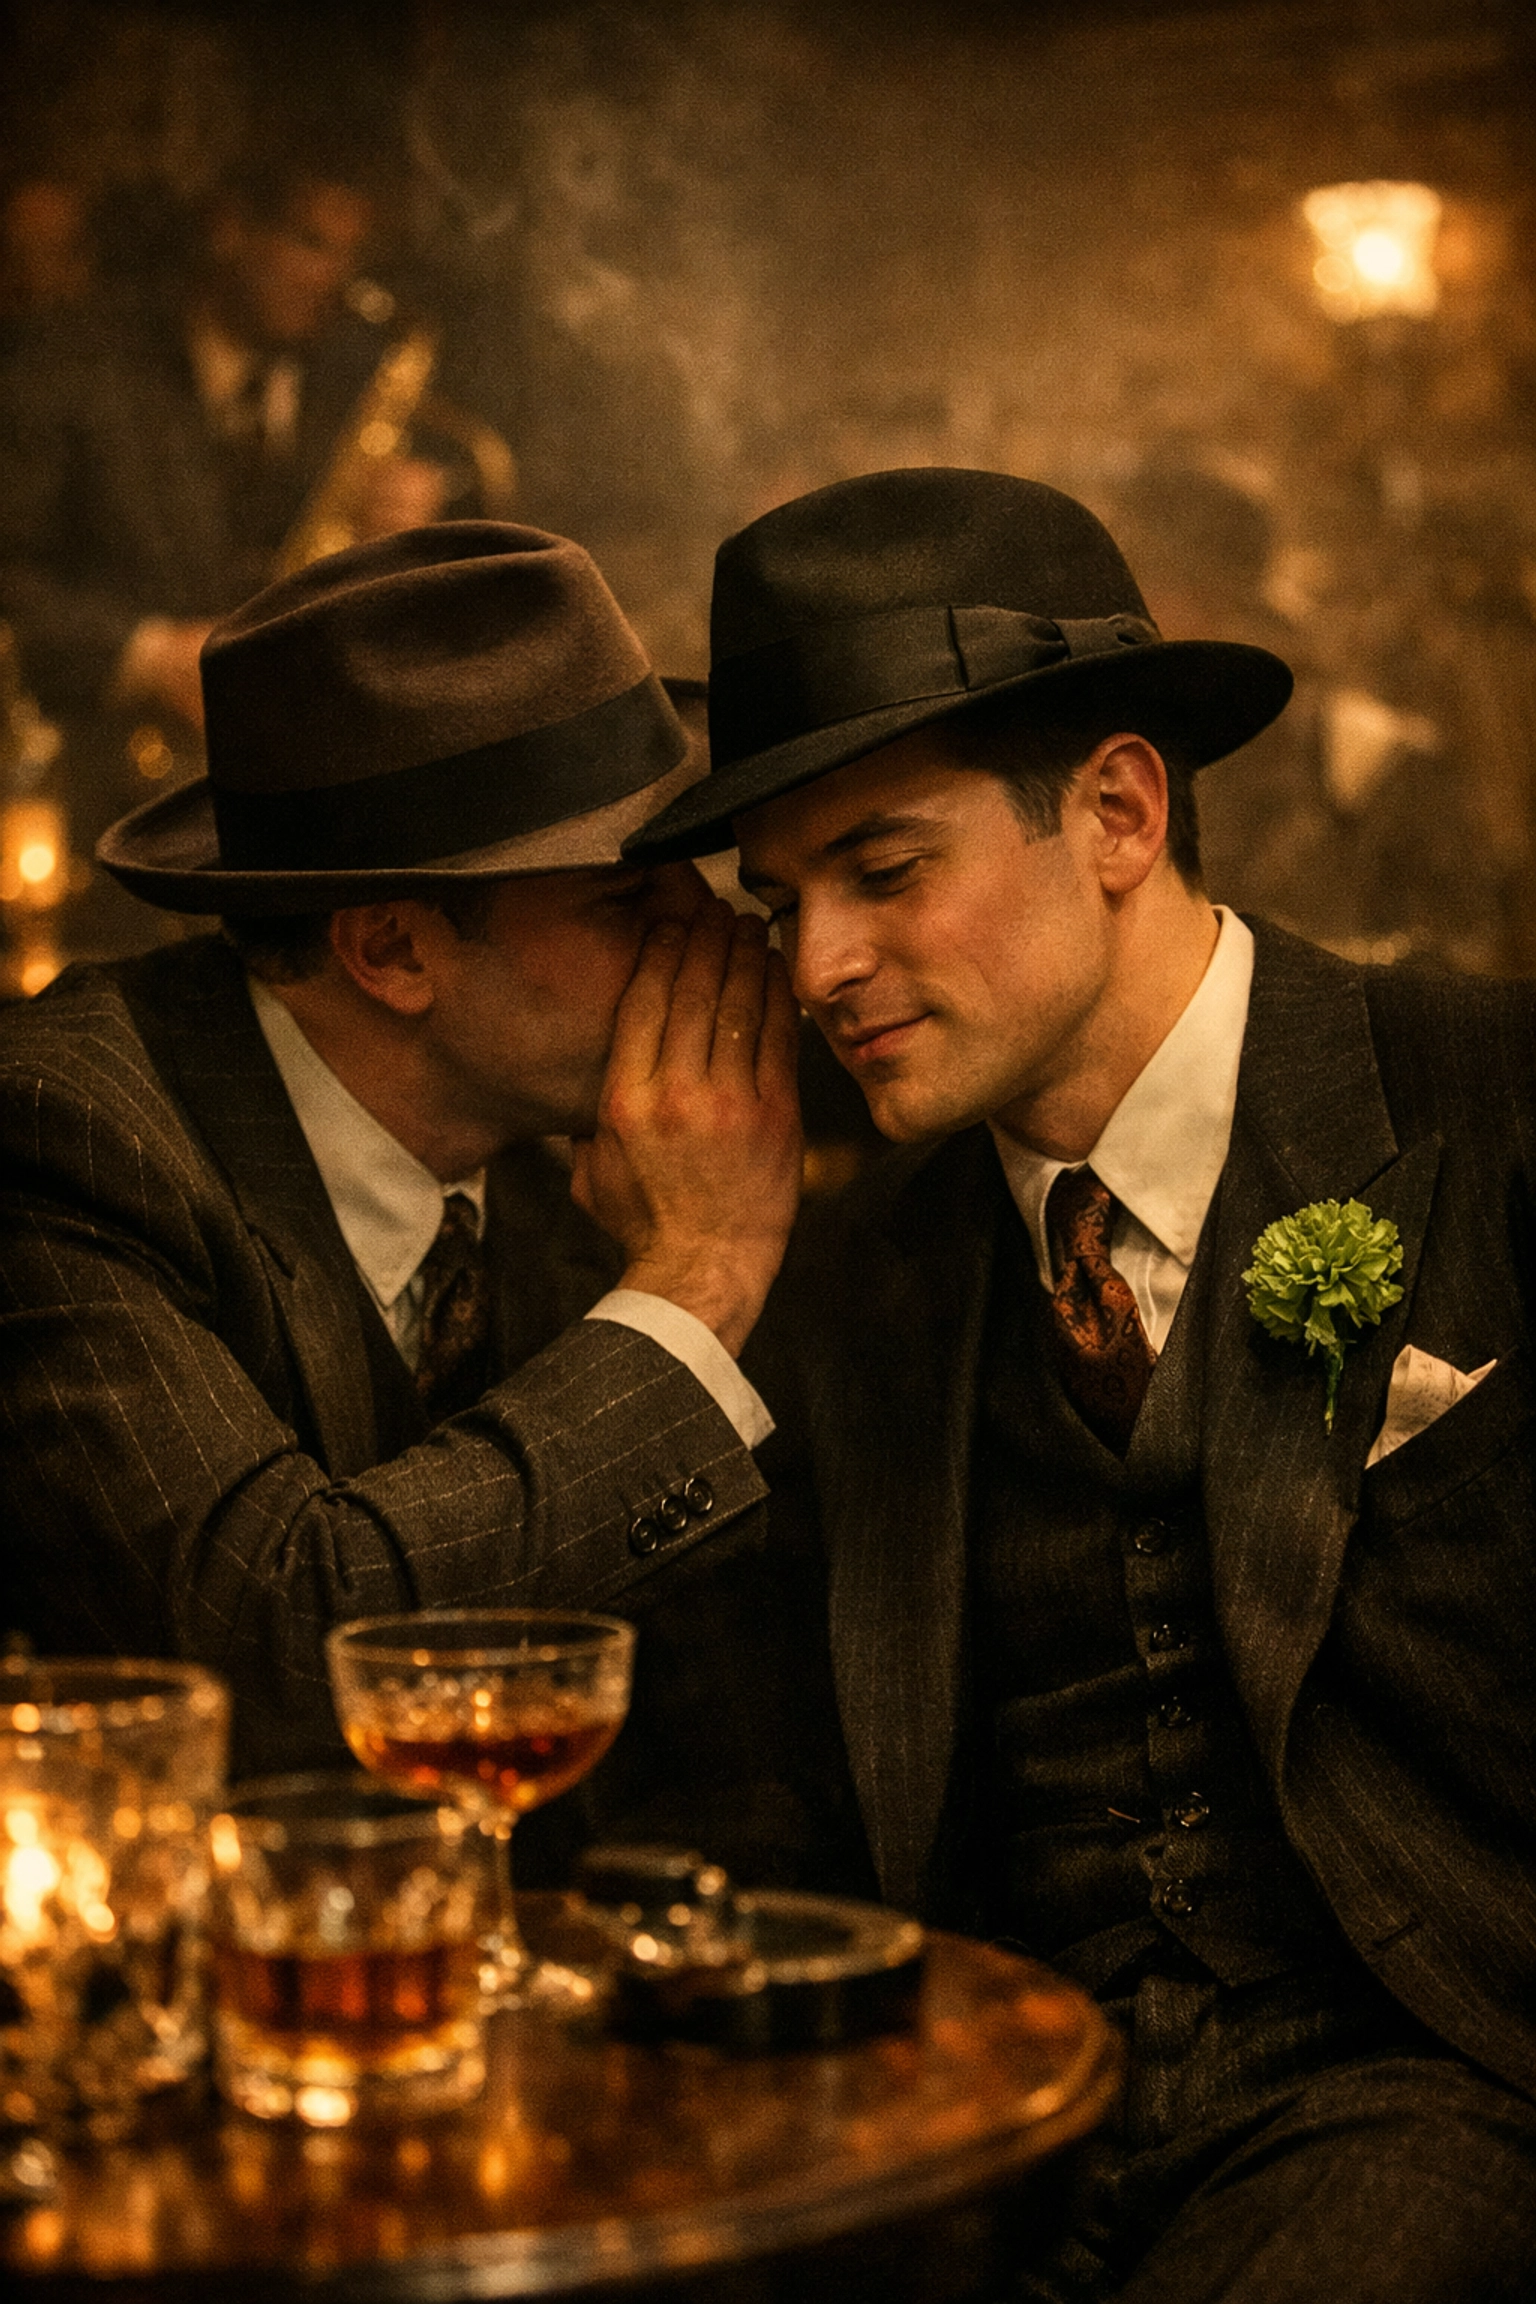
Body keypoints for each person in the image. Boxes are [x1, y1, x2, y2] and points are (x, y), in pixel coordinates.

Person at [625, 468, 1536, 2300]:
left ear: (1119, 809)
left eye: (886, 871)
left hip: (1441, 2079)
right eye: (780, 898)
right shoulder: (858, 1280)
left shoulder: (1486, 1099)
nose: (816, 964)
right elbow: (746, 1805)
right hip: (989, 2131)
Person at [0, 519, 867, 1894]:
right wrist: (697, 1278)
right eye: (626, 902)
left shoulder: (559, 1149)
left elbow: (729, 1708)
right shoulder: (69, 1137)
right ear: (394, 949)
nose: (711, 939)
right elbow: (287, 1655)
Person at [0, 150, 466, 952]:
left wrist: (406, 532)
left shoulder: (345, 375)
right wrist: (149, 653)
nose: (332, 278)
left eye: (350, 254)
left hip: (289, 799)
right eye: (309, 242)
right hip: (104, 798)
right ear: (229, 229)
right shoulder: (71, 365)